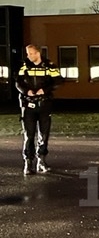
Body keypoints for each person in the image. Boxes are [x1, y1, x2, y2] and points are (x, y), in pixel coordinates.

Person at [15, 44, 63, 175]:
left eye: (31, 53)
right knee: (29, 135)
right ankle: (28, 163)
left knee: (44, 134)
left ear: (38, 54)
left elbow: (58, 80)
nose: (28, 56)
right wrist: (26, 91)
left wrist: (45, 90)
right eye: (27, 53)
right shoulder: (24, 66)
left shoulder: (49, 66)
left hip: (44, 104)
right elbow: (18, 82)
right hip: (28, 105)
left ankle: (41, 161)